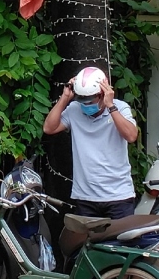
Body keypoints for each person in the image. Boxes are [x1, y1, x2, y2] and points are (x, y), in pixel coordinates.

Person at [43, 66, 139, 219]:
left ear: (103, 94)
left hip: (118, 197)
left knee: (120, 242)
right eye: (83, 101)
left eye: (90, 101)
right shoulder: (75, 109)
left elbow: (131, 136)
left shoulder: (120, 108)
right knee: (86, 243)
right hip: (86, 198)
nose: (86, 105)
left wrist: (111, 106)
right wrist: (65, 97)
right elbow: (49, 128)